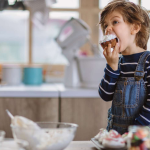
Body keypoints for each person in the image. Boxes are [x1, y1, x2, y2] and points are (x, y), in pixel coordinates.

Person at [98, 0, 150, 134]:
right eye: (105, 26)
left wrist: (135, 131)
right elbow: (105, 95)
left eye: (115, 22)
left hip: (141, 137)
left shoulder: (148, 61)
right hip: (116, 135)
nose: (108, 29)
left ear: (135, 28)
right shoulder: (117, 62)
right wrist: (112, 66)